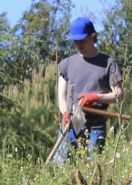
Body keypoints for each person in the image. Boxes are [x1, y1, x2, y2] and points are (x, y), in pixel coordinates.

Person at [53, 16, 124, 163]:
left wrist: (96, 97)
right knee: (60, 166)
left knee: (94, 167)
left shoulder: (109, 63)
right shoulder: (66, 64)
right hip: (71, 124)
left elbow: (118, 94)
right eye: (75, 41)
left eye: (82, 40)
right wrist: (65, 113)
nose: (79, 44)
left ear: (93, 36)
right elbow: (61, 95)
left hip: (95, 126)